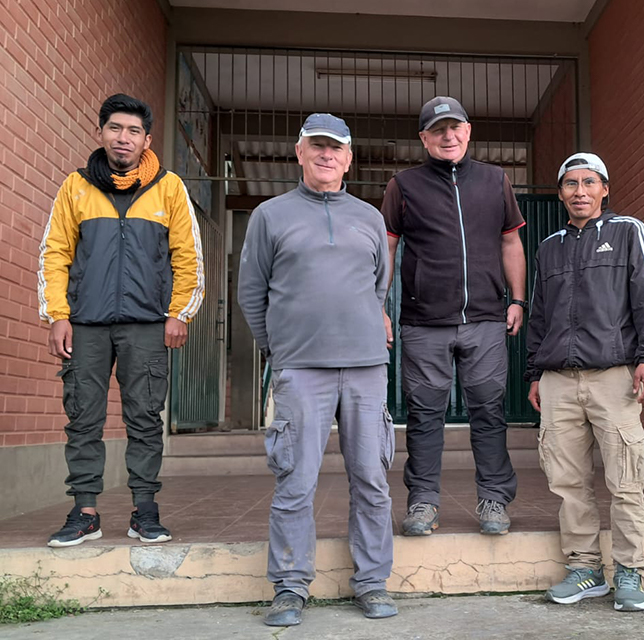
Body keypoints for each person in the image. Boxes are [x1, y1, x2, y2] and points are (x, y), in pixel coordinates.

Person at [238, 114, 397, 625]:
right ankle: (289, 586)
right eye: (318, 146)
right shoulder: (269, 215)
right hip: (301, 368)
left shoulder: (369, 217)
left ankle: (372, 582)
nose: (327, 155)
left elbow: (379, 285)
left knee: (371, 479)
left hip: (366, 367)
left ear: (348, 159)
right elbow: (251, 292)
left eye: (336, 148)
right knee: (295, 481)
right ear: (300, 152)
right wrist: (280, 350)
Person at [38, 93, 204, 548]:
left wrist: (180, 313)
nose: (123, 137)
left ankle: (144, 510)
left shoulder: (169, 188)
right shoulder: (75, 187)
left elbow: (188, 255)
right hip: (85, 324)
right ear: (100, 133)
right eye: (115, 128)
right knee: (82, 417)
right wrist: (57, 315)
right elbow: (55, 252)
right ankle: (84, 512)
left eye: (133, 131)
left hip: (147, 324)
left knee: (145, 418)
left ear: (147, 140)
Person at [525, 152, 644, 612]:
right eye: (571, 183)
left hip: (614, 377)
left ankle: (630, 571)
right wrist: (534, 372)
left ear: (605, 189)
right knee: (567, 481)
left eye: (589, 182)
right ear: (560, 193)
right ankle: (585, 569)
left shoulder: (629, 231)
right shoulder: (548, 247)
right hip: (558, 380)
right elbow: (539, 315)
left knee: (626, 479)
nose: (580, 191)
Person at [381, 96, 526, 536]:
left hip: (486, 320)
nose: (448, 136)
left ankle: (494, 499)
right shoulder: (403, 185)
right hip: (424, 323)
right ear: (424, 139)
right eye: (438, 130)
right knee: (424, 415)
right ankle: (423, 502)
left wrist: (518, 300)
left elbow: (510, 242)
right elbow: (387, 247)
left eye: (455, 127)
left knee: (489, 412)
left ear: (468, 131)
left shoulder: (495, 180)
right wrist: (376, 307)